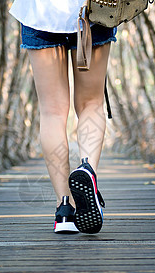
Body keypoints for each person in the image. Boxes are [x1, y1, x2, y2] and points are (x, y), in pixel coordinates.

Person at [9, 0, 116, 234]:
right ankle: (88, 171)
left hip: (39, 12)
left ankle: (64, 209)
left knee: (52, 112)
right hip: (94, 10)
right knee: (91, 104)